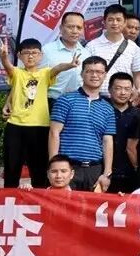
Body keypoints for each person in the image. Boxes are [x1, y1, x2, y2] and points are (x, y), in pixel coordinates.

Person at [0, 37, 77, 188]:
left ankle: (40, 198)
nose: (30, 56)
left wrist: (70, 65)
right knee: (12, 168)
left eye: (34, 53)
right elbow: (8, 67)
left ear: (41, 55)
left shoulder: (45, 73)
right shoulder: (17, 73)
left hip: (40, 127)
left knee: (39, 169)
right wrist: (3, 56)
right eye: (26, 53)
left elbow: (57, 68)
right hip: (15, 126)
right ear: (19, 56)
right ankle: (9, 198)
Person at [23, 155, 87, 256]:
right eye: (54, 172)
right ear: (47, 174)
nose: (59, 176)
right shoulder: (37, 196)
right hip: (42, 250)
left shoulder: (81, 199)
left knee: (76, 247)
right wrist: (23, 193)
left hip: (69, 249)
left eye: (63, 171)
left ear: (71, 174)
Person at [49, 56, 117, 191]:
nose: (94, 75)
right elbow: (54, 133)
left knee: (92, 205)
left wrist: (107, 174)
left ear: (105, 75)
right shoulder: (65, 100)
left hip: (94, 170)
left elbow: (107, 141)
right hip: (68, 168)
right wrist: (54, 166)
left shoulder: (108, 108)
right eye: (90, 71)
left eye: (99, 72)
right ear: (82, 74)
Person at [87, 4, 140, 98]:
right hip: (98, 98)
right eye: (110, 20)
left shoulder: (133, 47)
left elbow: (137, 74)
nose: (114, 23)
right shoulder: (91, 46)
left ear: (125, 22)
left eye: (118, 20)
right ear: (104, 22)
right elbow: (86, 74)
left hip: (124, 99)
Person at [43, 11, 90, 103]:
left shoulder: (86, 53)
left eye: (79, 28)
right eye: (70, 27)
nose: (75, 31)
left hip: (78, 103)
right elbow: (36, 78)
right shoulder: (47, 50)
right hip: (53, 101)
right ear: (61, 28)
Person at [107, 72, 140, 193]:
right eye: (118, 88)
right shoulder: (102, 111)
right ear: (109, 90)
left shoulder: (139, 115)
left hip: (131, 174)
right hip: (105, 172)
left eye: (127, 89)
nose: (123, 93)